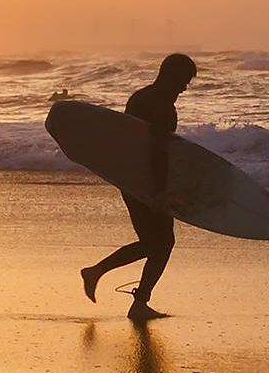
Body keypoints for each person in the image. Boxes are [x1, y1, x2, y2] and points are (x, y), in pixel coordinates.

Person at [79, 52, 197, 318]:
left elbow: (130, 141)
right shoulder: (163, 108)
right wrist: (161, 191)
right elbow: (157, 151)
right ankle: (134, 300)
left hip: (130, 178)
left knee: (154, 243)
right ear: (173, 76)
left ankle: (103, 276)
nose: (184, 87)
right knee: (161, 243)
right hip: (148, 183)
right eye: (184, 80)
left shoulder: (140, 97)